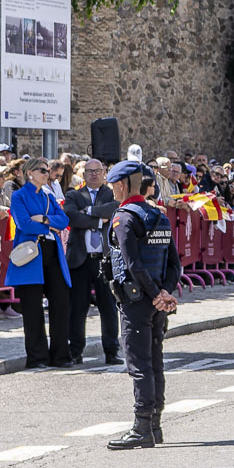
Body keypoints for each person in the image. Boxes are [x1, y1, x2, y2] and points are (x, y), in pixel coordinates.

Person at [105, 160, 179, 451]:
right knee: (155, 362)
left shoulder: (124, 217)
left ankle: (141, 427)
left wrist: (153, 294)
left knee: (139, 365)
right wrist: (165, 292)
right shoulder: (157, 215)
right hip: (155, 300)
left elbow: (133, 263)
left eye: (113, 184)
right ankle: (154, 425)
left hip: (137, 300)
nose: (111, 189)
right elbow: (174, 263)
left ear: (122, 185)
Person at [8, 156, 74, 369]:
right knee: (32, 309)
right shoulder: (19, 196)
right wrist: (49, 226)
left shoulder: (48, 195)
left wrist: (44, 220)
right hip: (31, 254)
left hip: (52, 252)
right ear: (30, 173)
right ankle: (37, 357)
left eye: (47, 171)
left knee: (61, 304)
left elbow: (63, 221)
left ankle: (61, 355)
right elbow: (24, 224)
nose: (48, 174)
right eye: (43, 171)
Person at [63, 159, 121, 367]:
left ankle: (112, 350)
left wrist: (87, 211)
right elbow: (71, 217)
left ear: (104, 173)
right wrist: (98, 220)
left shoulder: (111, 194)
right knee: (77, 308)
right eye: (89, 171)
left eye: (97, 171)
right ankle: (75, 350)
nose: (94, 174)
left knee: (108, 307)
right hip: (81, 259)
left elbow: (114, 209)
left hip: (103, 259)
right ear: (84, 174)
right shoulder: (74, 195)